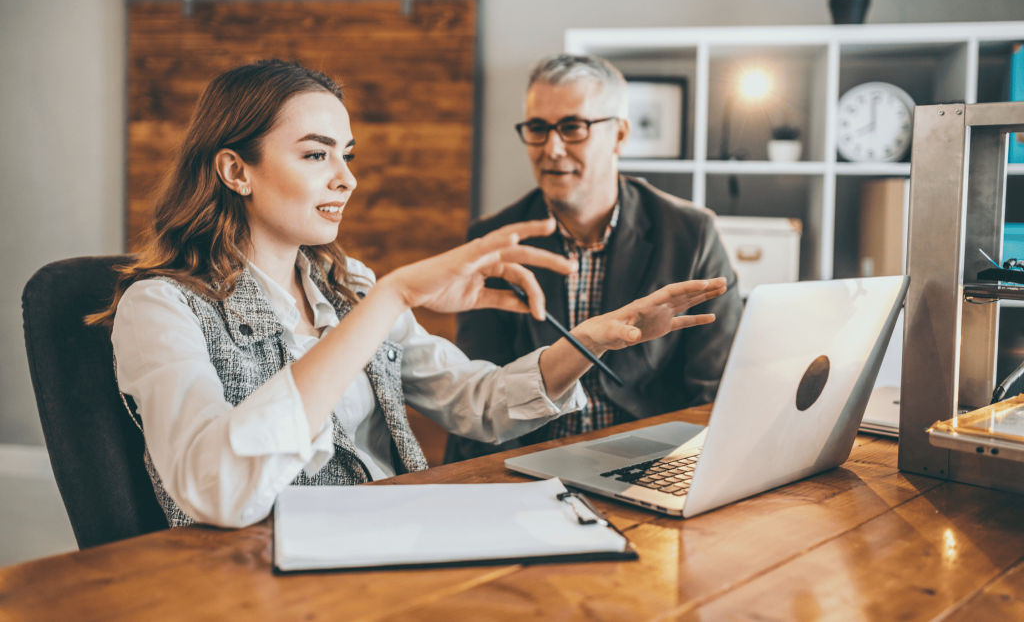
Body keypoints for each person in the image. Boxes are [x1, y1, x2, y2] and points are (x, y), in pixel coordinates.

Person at [87, 59, 727, 529]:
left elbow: (477, 402)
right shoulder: (161, 308)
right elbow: (218, 491)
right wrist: (390, 300)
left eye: (348, 154)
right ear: (235, 170)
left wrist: (588, 341)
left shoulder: (348, 284)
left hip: (395, 538)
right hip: (256, 577)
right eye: (316, 156)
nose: (347, 178)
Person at [445, 54, 743, 464]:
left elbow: (715, 392)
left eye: (573, 128)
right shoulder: (493, 239)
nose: (552, 148)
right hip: (532, 462)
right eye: (537, 128)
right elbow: (478, 391)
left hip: (650, 459)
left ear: (619, 135)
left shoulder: (692, 234)